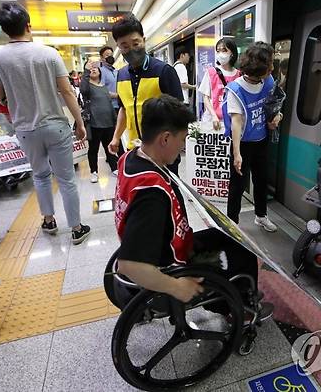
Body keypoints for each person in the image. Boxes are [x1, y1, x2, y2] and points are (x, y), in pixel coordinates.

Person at [115, 95, 273, 321]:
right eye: (182, 140)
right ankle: (240, 308)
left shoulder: (131, 158)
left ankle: (239, 299)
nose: (182, 147)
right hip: (170, 265)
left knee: (234, 238)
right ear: (166, 138)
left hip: (167, 241)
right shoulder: (152, 194)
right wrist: (176, 286)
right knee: (237, 262)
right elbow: (129, 265)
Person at [0, 2, 91, 244]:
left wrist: (14, 100)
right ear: (28, 25)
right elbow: (66, 91)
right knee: (66, 178)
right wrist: (79, 121)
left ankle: (49, 220)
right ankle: (76, 228)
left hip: (25, 128)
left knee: (41, 175)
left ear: (4, 30)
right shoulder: (48, 53)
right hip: (55, 124)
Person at [107, 14, 184, 174]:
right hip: (135, 150)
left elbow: (179, 114)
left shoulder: (163, 71)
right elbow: (124, 109)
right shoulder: (121, 75)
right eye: (125, 46)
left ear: (144, 39)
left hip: (163, 153)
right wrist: (116, 138)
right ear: (119, 48)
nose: (131, 50)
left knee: (168, 196)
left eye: (136, 43)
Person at [223, 42, 282, 232]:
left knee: (261, 180)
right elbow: (237, 122)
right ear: (260, 68)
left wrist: (277, 117)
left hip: (261, 140)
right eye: (270, 64)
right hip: (243, 144)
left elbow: (274, 107)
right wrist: (237, 153)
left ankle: (261, 216)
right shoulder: (236, 90)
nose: (272, 68)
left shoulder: (268, 81)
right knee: (237, 186)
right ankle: (232, 224)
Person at [80, 61, 119, 183]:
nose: (93, 69)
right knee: (93, 149)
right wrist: (86, 71)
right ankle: (94, 172)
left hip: (109, 123)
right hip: (94, 123)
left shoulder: (103, 87)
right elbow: (83, 89)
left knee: (110, 146)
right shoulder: (87, 88)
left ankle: (114, 167)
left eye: (95, 68)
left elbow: (111, 99)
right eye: (90, 69)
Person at [199, 38, 241, 131]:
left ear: (232, 53)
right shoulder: (211, 72)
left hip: (231, 121)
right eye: (218, 51)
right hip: (213, 120)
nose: (220, 53)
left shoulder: (239, 75)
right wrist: (214, 116)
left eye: (224, 50)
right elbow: (206, 98)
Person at [99, 45, 120, 111]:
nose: (110, 57)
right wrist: (117, 96)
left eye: (111, 55)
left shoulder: (116, 71)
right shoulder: (100, 72)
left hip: (119, 105)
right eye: (107, 55)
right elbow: (100, 90)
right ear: (102, 58)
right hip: (109, 107)